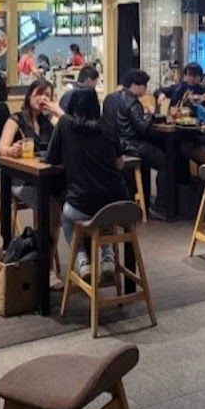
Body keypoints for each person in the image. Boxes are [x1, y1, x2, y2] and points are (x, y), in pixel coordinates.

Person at [46, 88, 129, 282]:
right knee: (103, 217)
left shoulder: (65, 125)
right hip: (117, 205)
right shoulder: (108, 127)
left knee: (66, 216)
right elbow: (120, 163)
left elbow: (52, 160)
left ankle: (82, 260)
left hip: (82, 204)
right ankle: (108, 257)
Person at [0, 80, 65, 287]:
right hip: (20, 180)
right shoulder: (16, 120)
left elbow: (69, 129)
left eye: (48, 95)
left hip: (46, 179)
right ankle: (47, 270)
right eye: (39, 93)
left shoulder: (49, 122)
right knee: (52, 212)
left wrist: (57, 112)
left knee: (65, 206)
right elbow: (1, 148)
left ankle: (50, 261)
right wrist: (12, 150)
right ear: (29, 95)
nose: (43, 98)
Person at [102, 70, 167, 218]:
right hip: (131, 146)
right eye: (144, 85)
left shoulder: (110, 98)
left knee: (149, 157)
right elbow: (143, 129)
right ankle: (160, 206)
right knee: (164, 161)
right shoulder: (132, 101)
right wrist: (151, 114)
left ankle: (144, 201)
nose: (145, 89)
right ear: (135, 85)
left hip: (114, 146)